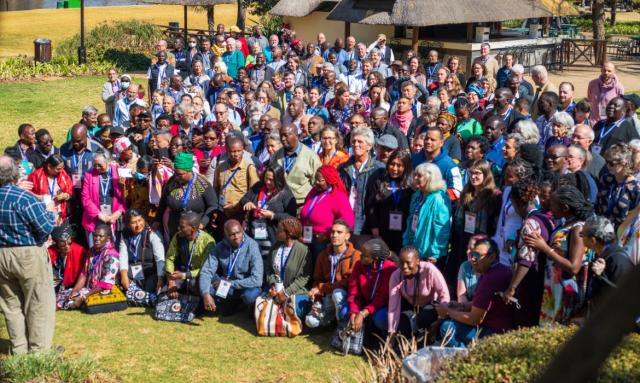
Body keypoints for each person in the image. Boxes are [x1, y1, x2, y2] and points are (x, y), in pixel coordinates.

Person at [0, 156, 56, 353]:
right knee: (38, 302)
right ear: (16, 174)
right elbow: (47, 226)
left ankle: (19, 350)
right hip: (28, 254)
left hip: (1, 256)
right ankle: (39, 353)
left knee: (10, 305)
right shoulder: (24, 198)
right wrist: (50, 211)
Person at [523, 185, 593, 325]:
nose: (550, 206)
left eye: (554, 204)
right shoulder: (565, 224)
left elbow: (574, 267)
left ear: (565, 208)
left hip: (566, 291)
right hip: (554, 287)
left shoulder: (577, 229)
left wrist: (545, 248)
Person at [436, 238, 514, 347]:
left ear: (492, 257)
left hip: (493, 334)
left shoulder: (489, 279)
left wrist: (448, 312)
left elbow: (474, 319)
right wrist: (461, 306)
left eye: (477, 256)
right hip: (504, 328)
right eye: (472, 254)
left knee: (447, 327)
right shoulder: (501, 270)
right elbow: (483, 304)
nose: (472, 259)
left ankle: (464, 361)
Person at [501, 178, 555, 327]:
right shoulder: (544, 218)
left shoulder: (530, 223)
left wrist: (512, 288)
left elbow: (526, 260)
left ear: (518, 202)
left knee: (524, 324)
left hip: (531, 282)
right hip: (542, 280)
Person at [450, 160, 501, 288]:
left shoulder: (493, 195)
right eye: (471, 173)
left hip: (484, 243)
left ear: (486, 175)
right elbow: (458, 222)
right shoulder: (466, 192)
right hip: (465, 239)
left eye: (477, 173)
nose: (473, 176)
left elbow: (495, 223)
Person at [304, 220, 361, 328]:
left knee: (337, 293)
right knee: (310, 321)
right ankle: (331, 320)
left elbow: (349, 282)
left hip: (345, 298)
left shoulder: (356, 255)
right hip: (327, 297)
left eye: (339, 232)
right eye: (332, 232)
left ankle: (342, 325)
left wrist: (322, 287)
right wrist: (316, 297)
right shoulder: (323, 255)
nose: (334, 235)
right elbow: (317, 279)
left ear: (347, 236)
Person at [199, 219, 263, 315]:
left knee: (250, 296)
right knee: (208, 287)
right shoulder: (219, 247)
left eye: (238, 233)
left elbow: (257, 280)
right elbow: (206, 271)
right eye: (232, 235)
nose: (236, 237)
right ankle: (232, 303)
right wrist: (205, 294)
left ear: (243, 231)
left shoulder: (252, 246)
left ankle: (249, 307)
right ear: (226, 235)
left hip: (246, 286)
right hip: (228, 285)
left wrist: (230, 283)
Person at [388, 246, 450, 338]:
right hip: (410, 305)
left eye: (408, 263)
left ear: (418, 261)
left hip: (431, 304)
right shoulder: (396, 276)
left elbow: (444, 295)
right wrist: (391, 332)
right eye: (401, 263)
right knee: (401, 325)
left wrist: (440, 319)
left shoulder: (429, 269)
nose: (404, 267)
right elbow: (393, 306)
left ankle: (430, 338)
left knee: (425, 319)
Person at [241, 164, 297, 261]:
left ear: (278, 179)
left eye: (271, 180)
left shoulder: (285, 194)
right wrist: (248, 203)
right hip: (254, 235)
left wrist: (273, 215)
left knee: (269, 262)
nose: (267, 182)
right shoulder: (258, 187)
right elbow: (243, 199)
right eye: (266, 178)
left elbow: (291, 216)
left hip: (272, 237)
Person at [157, 152, 217, 241]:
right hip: (175, 229)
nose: (177, 177)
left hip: (196, 230)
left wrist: (202, 223)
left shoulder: (202, 184)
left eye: (180, 174)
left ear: (189, 171)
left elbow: (213, 205)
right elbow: (163, 203)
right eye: (175, 173)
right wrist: (157, 220)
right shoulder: (172, 182)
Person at [300, 165, 354, 260]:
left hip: (322, 241)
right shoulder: (314, 191)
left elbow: (347, 221)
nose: (316, 182)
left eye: (320, 180)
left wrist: (327, 234)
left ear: (329, 180)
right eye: (316, 179)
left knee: (318, 267)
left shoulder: (338, 196)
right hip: (307, 235)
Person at [338, 127, 385, 236]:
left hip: (367, 223)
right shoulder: (343, 168)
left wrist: (375, 225)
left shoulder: (379, 169)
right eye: (353, 141)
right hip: (345, 220)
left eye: (360, 141)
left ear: (369, 146)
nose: (355, 144)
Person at [403, 163, 452, 267]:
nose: (415, 178)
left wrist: (435, 253)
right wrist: (406, 243)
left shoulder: (439, 199)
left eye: (419, 176)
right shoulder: (417, 195)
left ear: (431, 178)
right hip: (413, 248)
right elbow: (410, 221)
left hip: (429, 254)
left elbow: (442, 229)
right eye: (415, 175)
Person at [347, 238, 398, 338]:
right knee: (345, 312)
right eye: (361, 253)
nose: (360, 256)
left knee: (380, 318)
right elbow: (353, 290)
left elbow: (382, 298)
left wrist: (362, 314)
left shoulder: (390, 269)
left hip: (381, 305)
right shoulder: (359, 265)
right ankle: (361, 336)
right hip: (364, 302)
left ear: (375, 259)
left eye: (365, 256)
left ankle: (385, 338)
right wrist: (354, 311)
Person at [366, 150, 413, 254]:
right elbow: (371, 207)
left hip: (403, 233)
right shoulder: (380, 180)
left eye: (399, 165)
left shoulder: (411, 185)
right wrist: (375, 229)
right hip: (382, 231)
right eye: (392, 164)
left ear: (406, 167)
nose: (395, 169)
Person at [264, 218, 313, 316]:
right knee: (262, 306)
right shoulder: (275, 247)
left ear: (289, 233)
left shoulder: (303, 250)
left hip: (294, 290)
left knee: (295, 309)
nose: (276, 231)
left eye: (279, 230)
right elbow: (268, 269)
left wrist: (286, 293)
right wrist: (273, 285)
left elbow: (304, 277)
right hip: (276, 289)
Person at [66, 224, 120, 309]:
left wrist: (83, 297)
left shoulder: (112, 255)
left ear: (108, 238)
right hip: (90, 289)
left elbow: (104, 284)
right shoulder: (92, 251)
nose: (97, 239)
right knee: (66, 295)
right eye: (95, 235)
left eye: (101, 236)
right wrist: (74, 291)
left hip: (104, 290)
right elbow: (84, 274)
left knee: (73, 302)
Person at [582, 215, 633, 307]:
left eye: (582, 235)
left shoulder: (617, 260)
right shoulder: (601, 254)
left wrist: (601, 276)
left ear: (593, 240)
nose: (581, 238)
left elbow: (624, 295)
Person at [165, 211, 216, 298]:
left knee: (193, 283)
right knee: (166, 292)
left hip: (200, 276)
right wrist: (171, 279)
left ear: (192, 228)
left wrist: (185, 275)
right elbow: (169, 258)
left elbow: (205, 269)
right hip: (181, 274)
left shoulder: (208, 242)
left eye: (182, 227)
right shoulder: (178, 237)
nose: (178, 228)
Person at [269, 123, 321, 206]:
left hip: (301, 204)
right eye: (281, 135)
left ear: (296, 136)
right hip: (280, 204)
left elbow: (317, 183)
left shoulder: (311, 156)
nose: (282, 139)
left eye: (286, 135)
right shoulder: (276, 155)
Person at [118, 209, 165, 299]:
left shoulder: (152, 233)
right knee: (120, 277)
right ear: (128, 224)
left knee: (149, 289)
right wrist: (124, 277)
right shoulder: (124, 234)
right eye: (133, 222)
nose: (138, 225)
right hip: (132, 272)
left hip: (150, 273)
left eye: (140, 220)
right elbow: (123, 256)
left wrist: (160, 280)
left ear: (144, 219)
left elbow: (160, 259)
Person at [81, 154, 126, 246]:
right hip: (95, 218)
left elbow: (126, 196)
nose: (97, 168)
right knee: (95, 248)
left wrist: (119, 212)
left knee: (113, 248)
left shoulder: (119, 172)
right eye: (95, 165)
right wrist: (99, 214)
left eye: (100, 165)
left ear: (108, 162)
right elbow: (85, 198)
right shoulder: (89, 174)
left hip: (114, 218)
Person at [213, 134, 259, 222]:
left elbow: (254, 192)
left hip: (240, 213)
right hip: (223, 212)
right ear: (227, 151)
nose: (236, 154)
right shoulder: (221, 167)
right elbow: (216, 188)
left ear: (243, 150)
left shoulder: (249, 167)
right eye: (233, 151)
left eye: (239, 151)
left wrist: (236, 204)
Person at [411, 126, 463, 202]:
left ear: (441, 143)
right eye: (426, 138)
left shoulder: (450, 165)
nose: (428, 142)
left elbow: (456, 192)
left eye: (432, 140)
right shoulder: (415, 159)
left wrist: (434, 195)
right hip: (415, 207)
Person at [596, 143, 640, 227]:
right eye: (607, 162)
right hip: (600, 228)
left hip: (620, 233)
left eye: (612, 163)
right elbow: (597, 204)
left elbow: (634, 218)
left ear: (624, 163)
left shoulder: (635, 189)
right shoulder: (606, 179)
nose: (608, 166)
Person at [48, 225, 88, 309]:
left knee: (81, 294)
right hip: (55, 287)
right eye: (63, 244)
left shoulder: (80, 251)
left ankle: (66, 303)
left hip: (74, 287)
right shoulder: (50, 251)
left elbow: (84, 274)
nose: (67, 246)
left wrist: (74, 291)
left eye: (69, 243)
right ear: (57, 244)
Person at [28, 154, 73, 225]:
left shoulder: (63, 174)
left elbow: (70, 191)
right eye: (58, 169)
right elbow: (26, 193)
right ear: (49, 167)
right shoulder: (36, 176)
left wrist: (65, 195)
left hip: (60, 215)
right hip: (42, 214)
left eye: (62, 167)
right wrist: (39, 197)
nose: (61, 170)